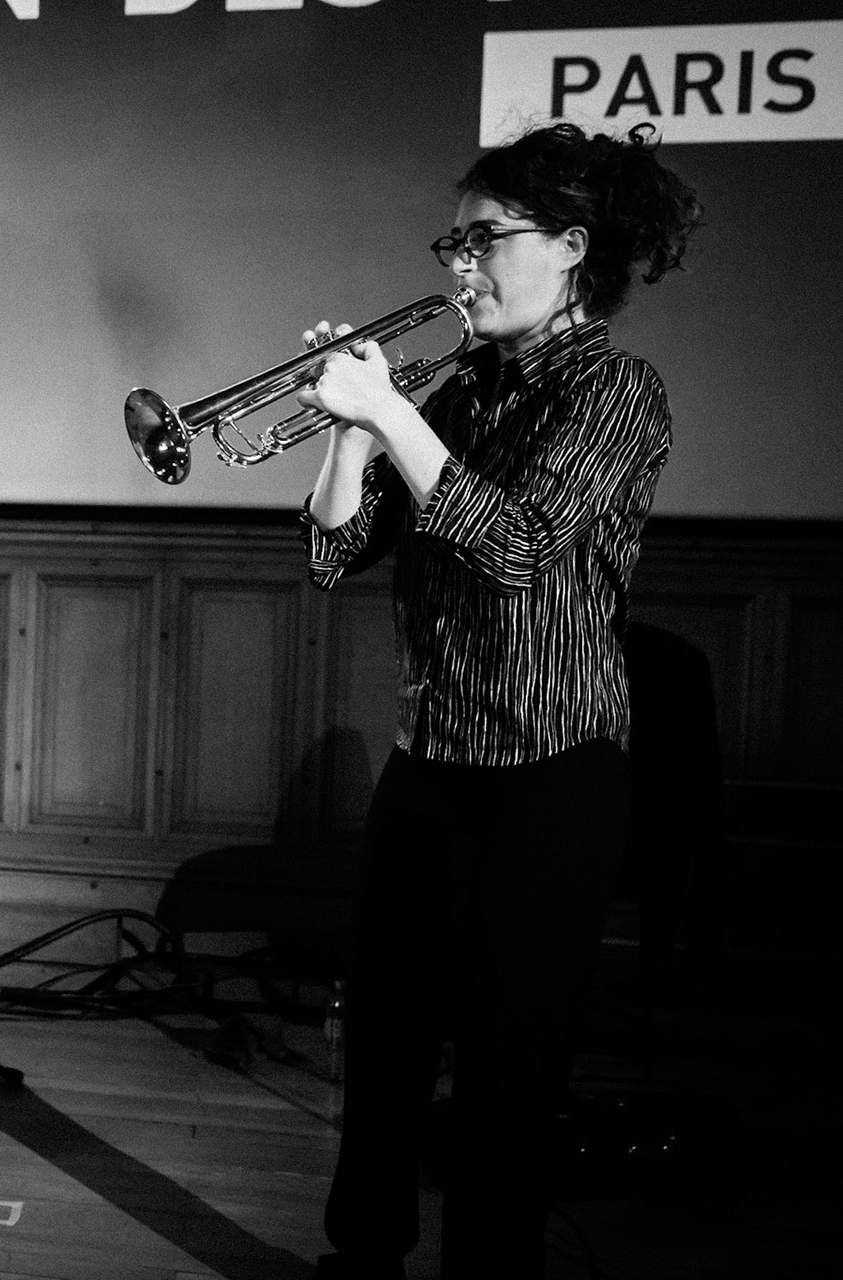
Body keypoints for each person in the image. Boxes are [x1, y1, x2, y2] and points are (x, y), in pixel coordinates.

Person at [293, 125, 702, 1279]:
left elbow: (516, 545)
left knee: (508, 1068)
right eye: (453, 242)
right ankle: (358, 1259)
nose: (459, 265)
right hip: (433, 755)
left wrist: (398, 422)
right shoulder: (453, 387)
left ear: (571, 247)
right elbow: (333, 554)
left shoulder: (618, 388)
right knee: (380, 1048)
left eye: (486, 240)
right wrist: (348, 435)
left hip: (554, 772)